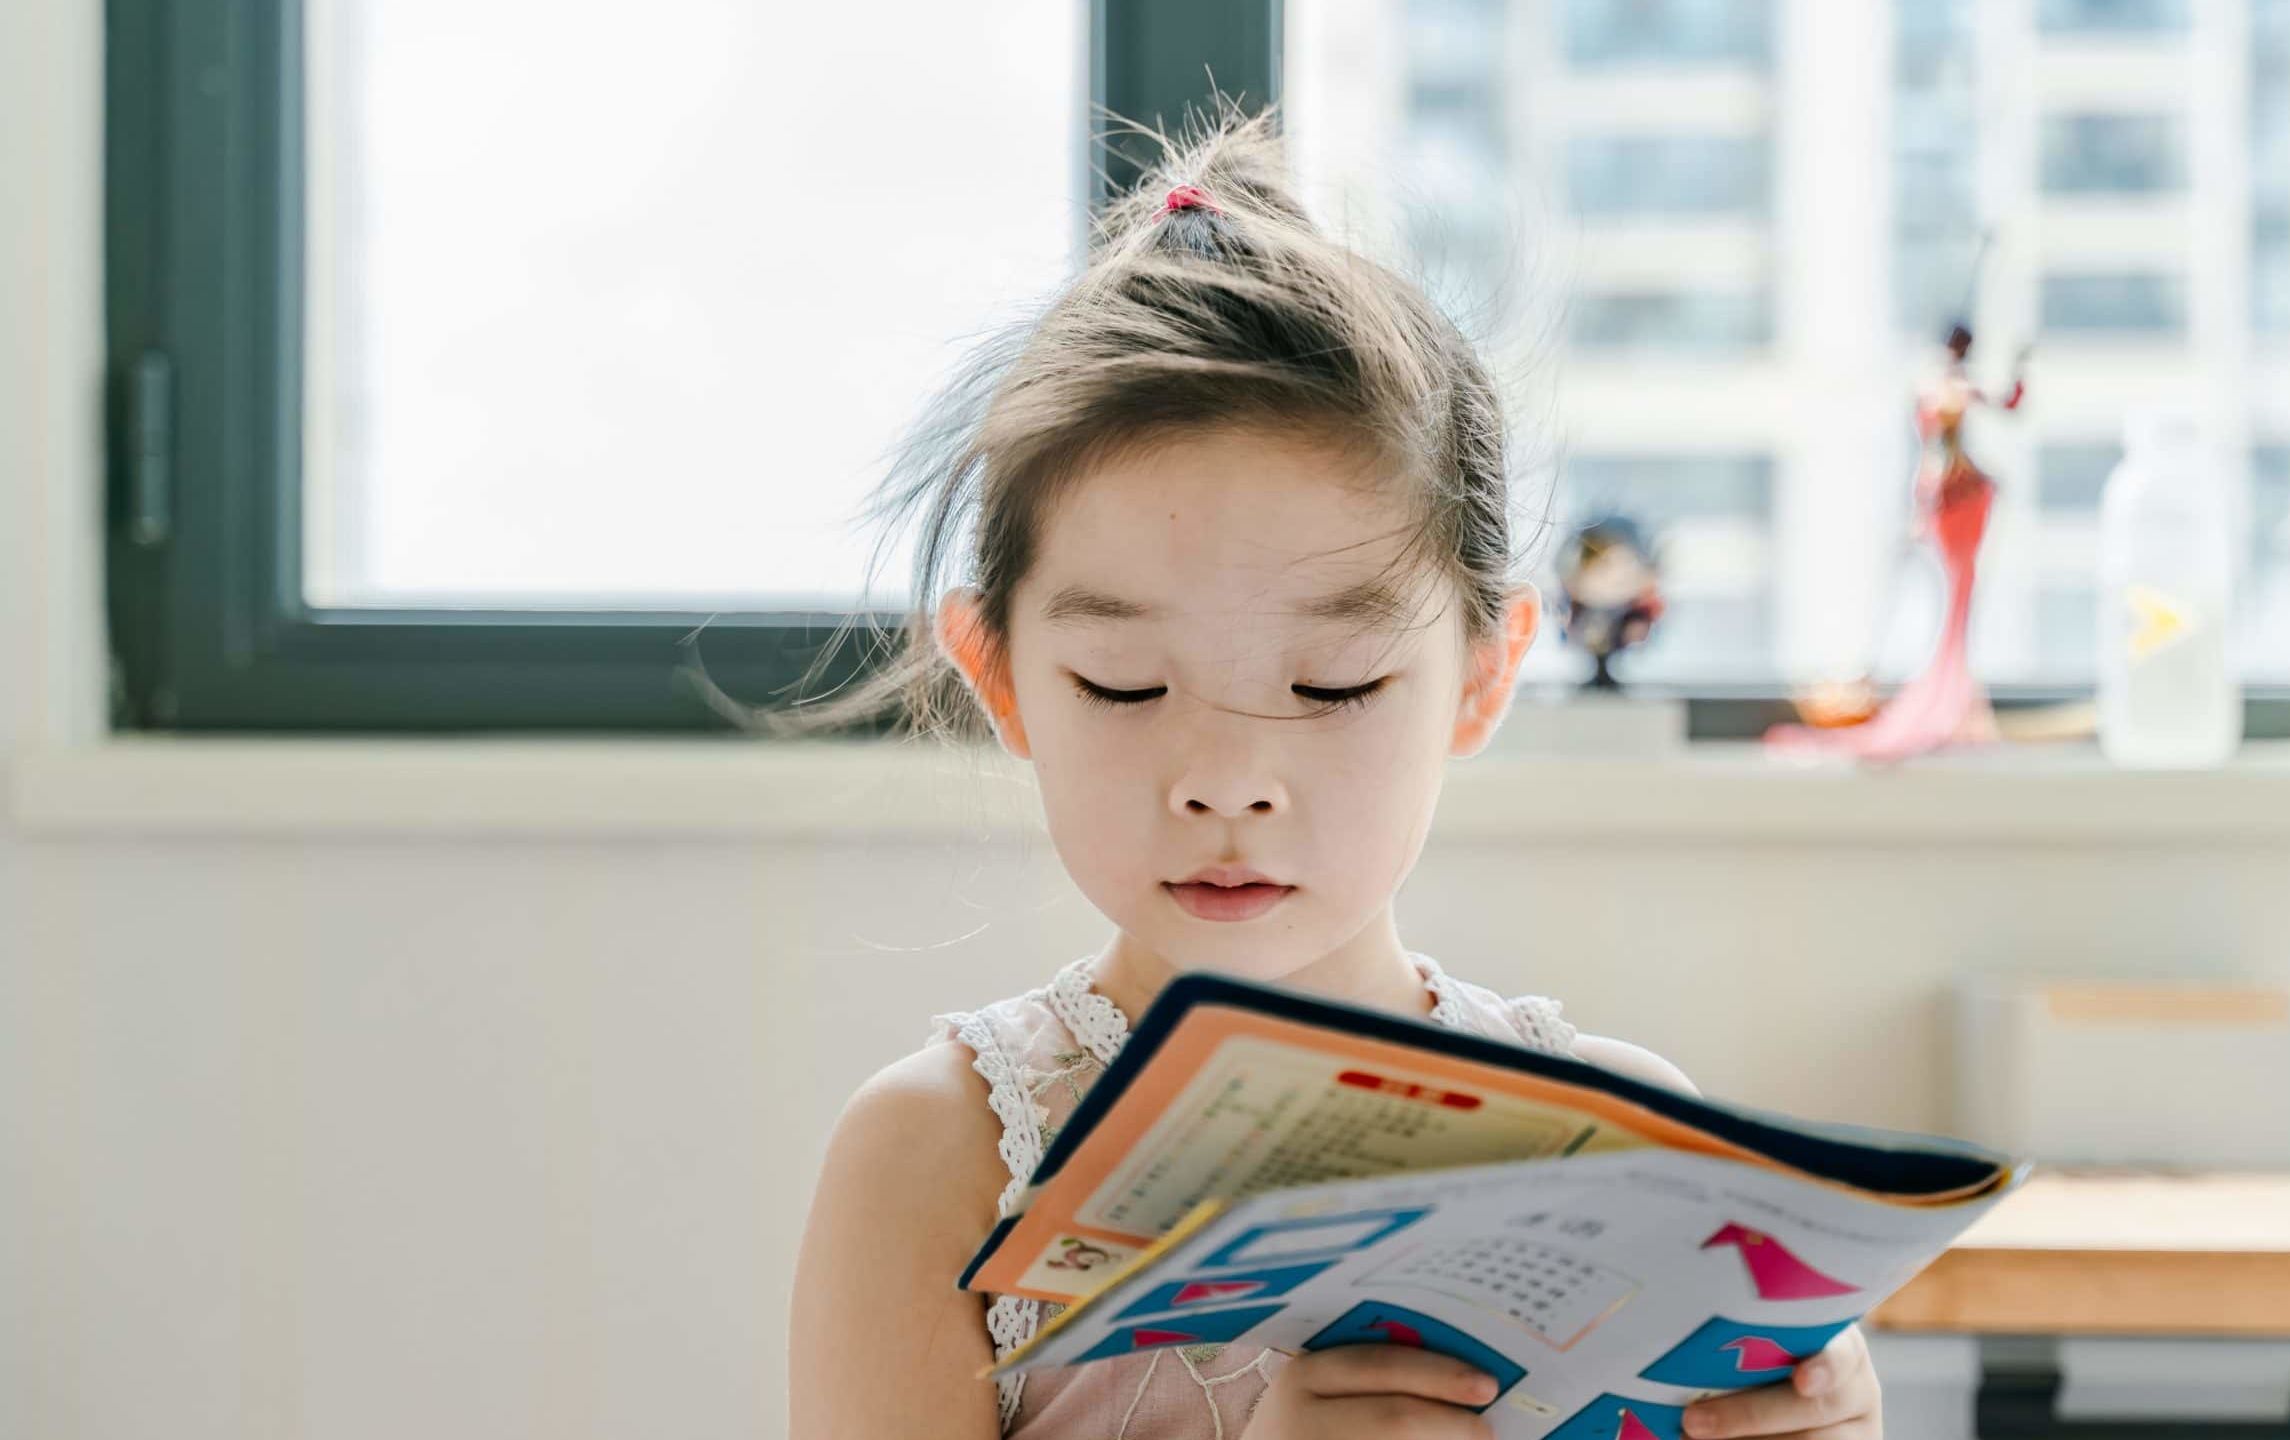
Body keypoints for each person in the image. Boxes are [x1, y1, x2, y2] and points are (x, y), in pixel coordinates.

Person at [785, 109, 1884, 1440]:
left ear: (1484, 674)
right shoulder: (940, 1159)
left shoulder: (1631, 1147)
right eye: (1125, 688)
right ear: (1000, 673)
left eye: (1336, 686)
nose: (1229, 780)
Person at [1767, 322, 2026, 761]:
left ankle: (1955, 700)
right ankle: (1944, 700)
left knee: (1960, 600)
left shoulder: (1944, 391)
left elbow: (2007, 405)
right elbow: (1966, 423)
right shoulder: (1944, 392)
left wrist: (2017, 371)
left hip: (1955, 494)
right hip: (1950, 494)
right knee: (1952, 600)